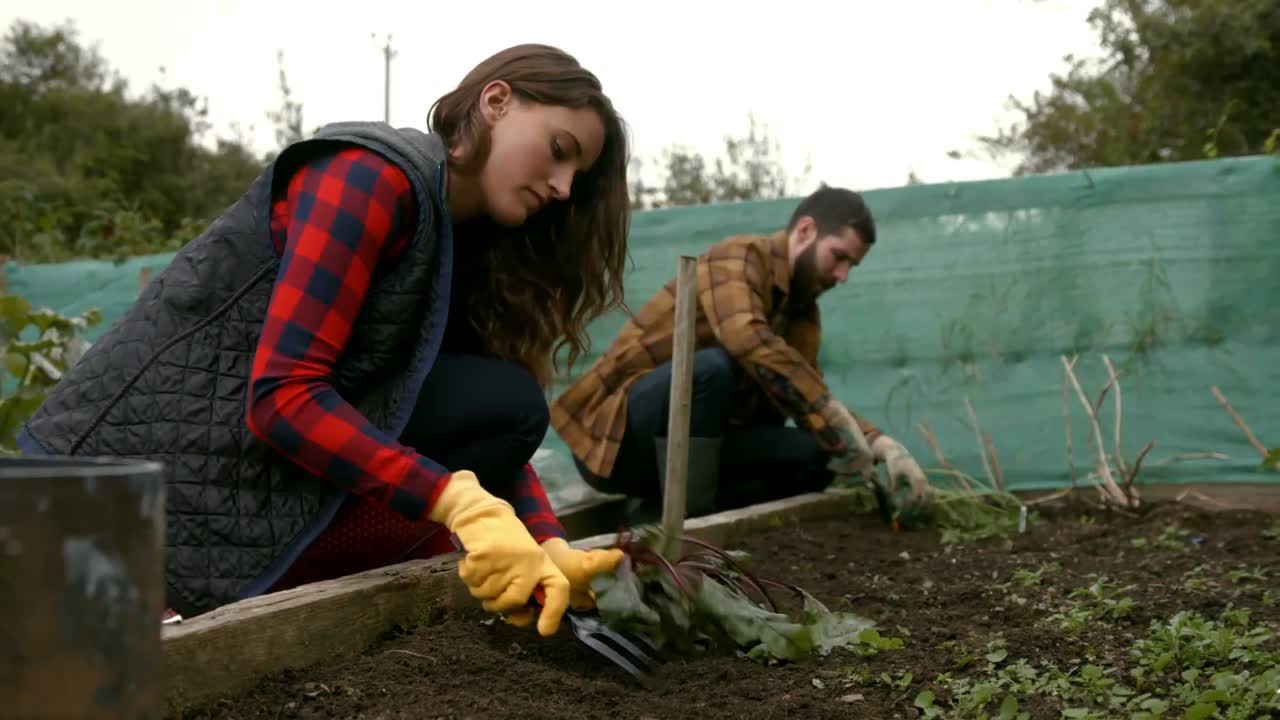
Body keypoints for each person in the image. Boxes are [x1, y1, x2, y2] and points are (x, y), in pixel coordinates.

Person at [17, 44, 630, 637]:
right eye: (559, 151)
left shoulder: (457, 241)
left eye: (576, 173)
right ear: (497, 101)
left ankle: (311, 580)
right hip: (113, 478)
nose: (563, 187)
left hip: (243, 471)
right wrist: (452, 501)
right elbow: (281, 397)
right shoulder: (367, 177)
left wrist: (547, 538)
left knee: (506, 403)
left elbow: (486, 424)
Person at [550, 185, 931, 522]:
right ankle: (689, 524)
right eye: (839, 257)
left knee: (815, 458)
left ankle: (658, 515)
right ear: (805, 231)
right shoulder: (739, 257)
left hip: (695, 451)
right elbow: (744, 336)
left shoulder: (802, 313)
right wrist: (830, 410)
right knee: (711, 369)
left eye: (852, 266)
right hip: (617, 443)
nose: (843, 275)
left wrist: (879, 443)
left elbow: (806, 390)